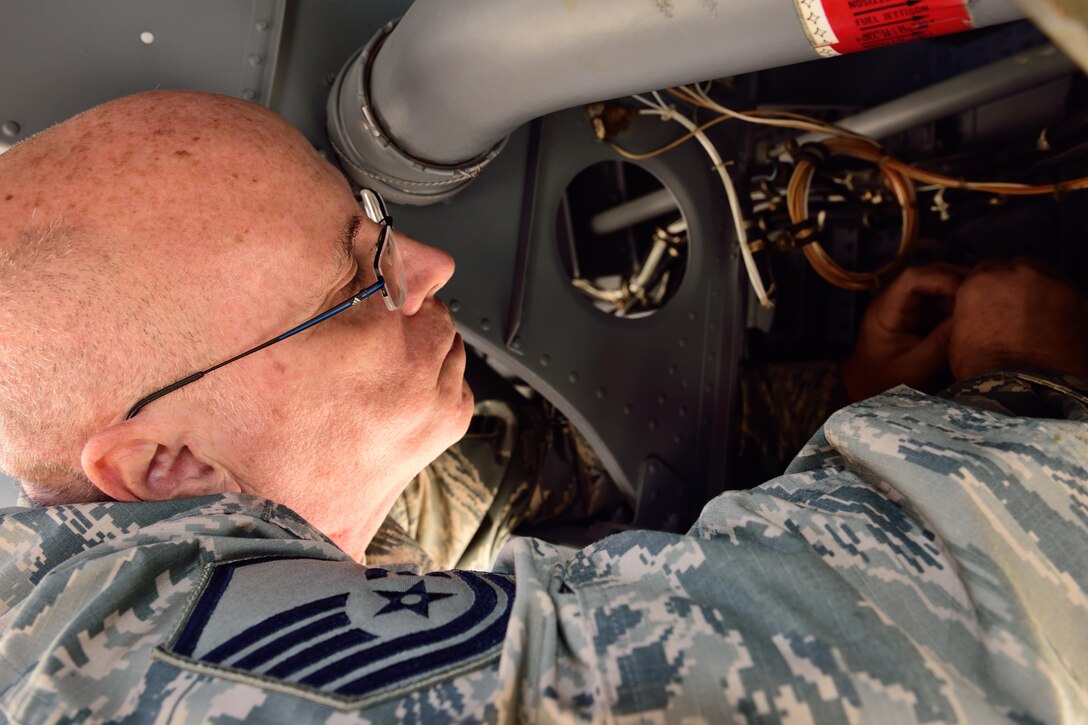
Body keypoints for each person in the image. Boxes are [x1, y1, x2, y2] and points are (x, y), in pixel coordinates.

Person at [0, 91, 1084, 722]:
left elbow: (504, 493)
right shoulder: (125, 685)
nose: (429, 270)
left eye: (373, 222)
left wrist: (841, 405)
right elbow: (923, 656)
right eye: (352, 285)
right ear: (166, 466)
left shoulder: (84, 529)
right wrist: (1020, 399)